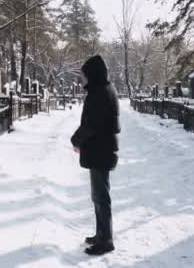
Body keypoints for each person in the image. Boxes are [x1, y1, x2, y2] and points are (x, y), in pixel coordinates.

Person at [70, 55, 120, 256]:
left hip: (101, 149)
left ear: (94, 74)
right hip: (101, 149)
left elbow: (91, 124)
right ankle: (101, 234)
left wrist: (76, 140)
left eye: (85, 75)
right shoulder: (102, 89)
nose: (83, 79)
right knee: (98, 196)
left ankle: (106, 240)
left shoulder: (100, 92)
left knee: (101, 197)